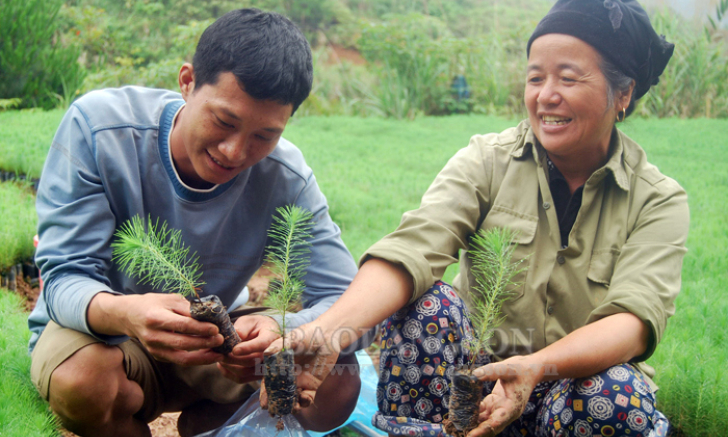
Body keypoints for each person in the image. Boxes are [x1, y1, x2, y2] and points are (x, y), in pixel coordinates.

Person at [267, 0, 689, 436]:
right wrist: (328, 331)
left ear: (622, 94)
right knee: (425, 307)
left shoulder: (657, 200)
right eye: (535, 78)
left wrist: (537, 366)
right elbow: (412, 248)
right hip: (473, 390)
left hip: (570, 395)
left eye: (568, 78)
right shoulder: (487, 160)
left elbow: (633, 322)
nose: (545, 95)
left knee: (615, 394)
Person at [28, 8, 364, 437]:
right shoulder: (101, 130)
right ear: (187, 82)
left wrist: (282, 329)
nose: (234, 151)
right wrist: (128, 314)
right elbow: (64, 278)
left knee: (339, 381)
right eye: (224, 121)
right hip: (105, 338)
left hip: (213, 348)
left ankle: (209, 427)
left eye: (264, 135)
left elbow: (349, 302)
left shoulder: (286, 177)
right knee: (81, 381)